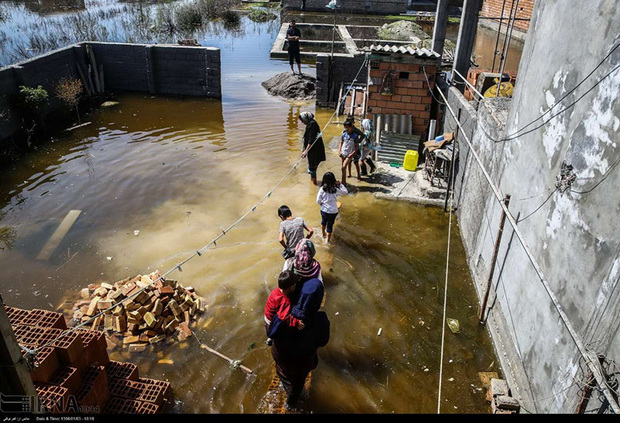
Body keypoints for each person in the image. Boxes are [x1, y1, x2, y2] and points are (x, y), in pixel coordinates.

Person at [270, 277, 330, 409]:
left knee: (282, 372)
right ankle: (290, 404)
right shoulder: (321, 320)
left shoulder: (285, 311)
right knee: (297, 384)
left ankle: (285, 384)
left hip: (280, 355)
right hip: (302, 363)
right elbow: (323, 342)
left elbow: (271, 332)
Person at [264, 270, 305, 346]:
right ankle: (272, 337)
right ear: (291, 287)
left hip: (267, 316)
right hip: (272, 321)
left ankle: (270, 338)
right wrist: (297, 323)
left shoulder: (275, 291)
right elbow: (284, 317)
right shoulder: (284, 301)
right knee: (278, 330)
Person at [316, 172, 348, 243]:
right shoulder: (335, 189)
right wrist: (340, 184)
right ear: (334, 179)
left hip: (324, 210)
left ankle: (323, 234)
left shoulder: (322, 189)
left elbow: (318, 200)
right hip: (333, 211)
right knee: (330, 226)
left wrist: (322, 205)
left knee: (323, 222)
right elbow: (345, 192)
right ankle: (327, 241)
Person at [299, 112, 326, 185]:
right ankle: (312, 183)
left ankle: (314, 185)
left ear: (306, 118)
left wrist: (306, 150)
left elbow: (311, 139)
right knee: (312, 167)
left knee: (312, 168)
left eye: (302, 120)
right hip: (313, 149)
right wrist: (305, 150)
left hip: (314, 150)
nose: (302, 122)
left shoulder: (312, 124)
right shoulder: (311, 123)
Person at [338, 119, 365, 184]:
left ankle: (358, 176)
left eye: (348, 127)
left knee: (347, 166)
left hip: (351, 153)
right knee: (343, 168)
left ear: (352, 126)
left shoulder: (355, 135)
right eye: (345, 127)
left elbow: (357, 146)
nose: (346, 129)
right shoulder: (344, 134)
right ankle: (344, 181)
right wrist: (339, 151)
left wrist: (352, 154)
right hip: (343, 152)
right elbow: (341, 143)